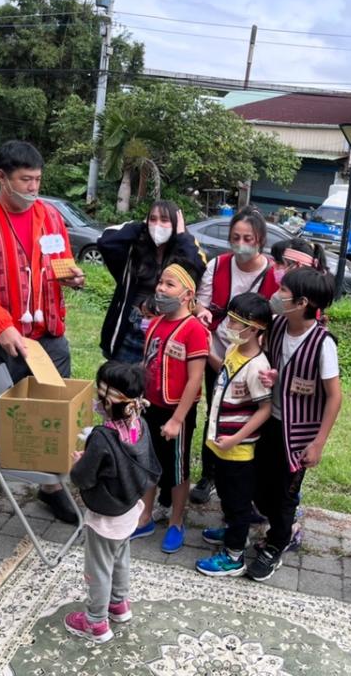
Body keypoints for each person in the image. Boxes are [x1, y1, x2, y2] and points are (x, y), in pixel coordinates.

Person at [0, 140, 85, 523]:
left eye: (37, 180)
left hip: (48, 338)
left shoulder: (49, 215)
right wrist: (2, 327)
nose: (33, 188)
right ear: (2, 177)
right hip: (3, 341)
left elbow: (59, 260)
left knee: (50, 410)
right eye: (25, 180)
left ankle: (50, 486)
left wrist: (71, 276)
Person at [247, 267, 341, 581]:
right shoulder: (276, 326)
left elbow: (334, 397)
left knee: (284, 494)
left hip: (298, 435)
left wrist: (319, 442)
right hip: (267, 423)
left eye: (283, 290)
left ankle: (277, 543)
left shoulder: (322, 343)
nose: (276, 294)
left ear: (301, 302)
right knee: (259, 486)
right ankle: (283, 527)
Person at [63, 361, 161, 644]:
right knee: (120, 558)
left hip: (106, 516)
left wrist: (81, 463)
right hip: (129, 507)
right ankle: (119, 604)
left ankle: (95, 622)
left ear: (107, 402)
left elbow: (83, 478)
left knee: (99, 567)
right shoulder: (140, 424)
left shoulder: (102, 437)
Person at [192, 207, 282, 504]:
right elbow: (200, 304)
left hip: (254, 361)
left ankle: (245, 475)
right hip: (217, 352)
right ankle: (209, 474)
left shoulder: (273, 274)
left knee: (252, 412)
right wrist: (202, 312)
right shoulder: (217, 265)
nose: (241, 244)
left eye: (248, 238)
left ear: (260, 240)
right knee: (216, 410)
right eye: (235, 237)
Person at [133, 261, 209, 553]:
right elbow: (147, 364)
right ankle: (145, 515)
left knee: (176, 469)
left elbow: (195, 380)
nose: (161, 289)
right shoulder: (154, 324)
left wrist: (178, 419)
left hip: (177, 411)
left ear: (187, 294)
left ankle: (176, 521)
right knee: (148, 461)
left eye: (169, 285)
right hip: (150, 406)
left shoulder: (194, 330)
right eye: (161, 283)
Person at [195, 293, 273, 577]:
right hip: (221, 442)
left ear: (255, 329)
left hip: (238, 449)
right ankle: (231, 531)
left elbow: (264, 409)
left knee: (239, 503)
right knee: (227, 496)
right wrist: (208, 352)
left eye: (236, 322)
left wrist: (236, 438)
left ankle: (234, 556)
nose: (228, 325)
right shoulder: (233, 350)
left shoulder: (258, 367)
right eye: (229, 318)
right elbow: (224, 374)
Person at [98, 201, 206, 363]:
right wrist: (141, 227)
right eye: (153, 219)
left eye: (164, 220)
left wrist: (182, 236)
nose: (158, 225)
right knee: (121, 381)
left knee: (155, 382)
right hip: (131, 324)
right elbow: (105, 241)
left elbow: (196, 268)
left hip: (167, 326)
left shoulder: (186, 246)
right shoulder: (136, 247)